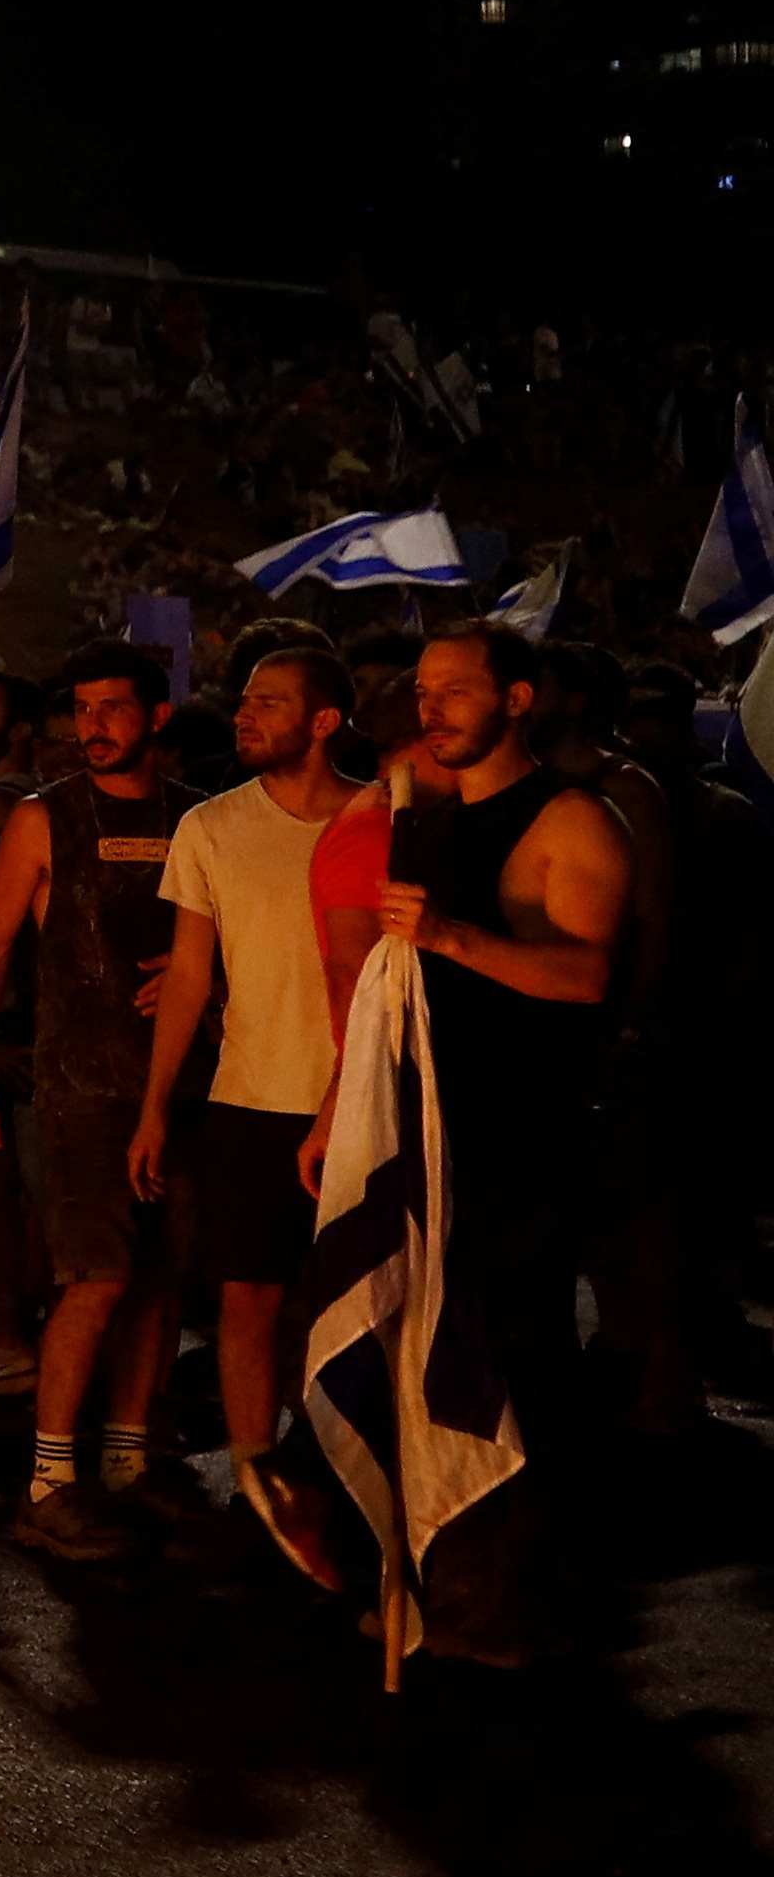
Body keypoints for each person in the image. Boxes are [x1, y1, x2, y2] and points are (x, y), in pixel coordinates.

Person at [367, 622, 628, 1657]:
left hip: (521, 1134)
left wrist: (448, 936)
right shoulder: (429, 817)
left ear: (519, 698)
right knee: (427, 1355)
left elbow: (583, 975)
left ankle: (519, 1592)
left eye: (457, 690)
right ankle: (443, 1572)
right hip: (428, 1124)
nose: (431, 708)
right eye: (422, 689)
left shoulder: (573, 820)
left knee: (515, 1360)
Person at [136, 633, 361, 1580]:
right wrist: (155, 1105)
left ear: (323, 720)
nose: (245, 713)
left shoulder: (376, 821)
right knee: (245, 1302)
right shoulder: (213, 827)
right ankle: (256, 1481)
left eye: (270, 700)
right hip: (248, 1099)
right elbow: (189, 976)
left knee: (347, 1308)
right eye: (244, 699)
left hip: (358, 1106)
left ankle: (343, 1483)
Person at [0, 643, 188, 1561]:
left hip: (177, 1087)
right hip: (82, 1090)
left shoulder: (197, 819)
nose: (94, 725)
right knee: (93, 1279)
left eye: (113, 708)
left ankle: (131, 1459)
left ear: (156, 718)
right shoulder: (41, 819)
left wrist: (200, 973)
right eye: (83, 709)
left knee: (160, 1281)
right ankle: (50, 1481)